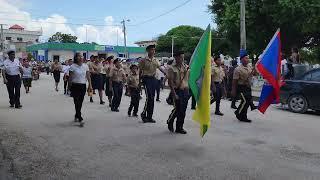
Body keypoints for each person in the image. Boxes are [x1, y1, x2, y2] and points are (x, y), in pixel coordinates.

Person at [139, 45, 166, 123]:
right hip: (146, 79)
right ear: (148, 51)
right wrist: (139, 82)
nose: (153, 51)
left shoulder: (155, 60)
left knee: (152, 98)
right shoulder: (143, 60)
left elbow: (160, 68)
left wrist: (166, 73)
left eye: (154, 50)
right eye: (151, 50)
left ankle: (149, 116)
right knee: (149, 97)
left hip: (153, 79)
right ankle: (143, 114)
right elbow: (140, 71)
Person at [167, 51, 190, 134]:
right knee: (178, 109)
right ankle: (170, 120)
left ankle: (179, 127)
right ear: (176, 58)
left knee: (183, 110)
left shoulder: (186, 67)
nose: (182, 59)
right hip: (177, 91)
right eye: (181, 57)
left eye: (183, 57)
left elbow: (188, 80)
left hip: (185, 91)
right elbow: (170, 82)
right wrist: (174, 94)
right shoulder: (171, 68)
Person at [68, 53, 92, 127]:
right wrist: (69, 87)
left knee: (80, 102)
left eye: (81, 56)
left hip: (83, 85)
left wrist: (90, 85)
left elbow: (88, 77)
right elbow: (70, 78)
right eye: (79, 56)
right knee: (76, 102)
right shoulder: (72, 66)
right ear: (76, 58)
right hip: (75, 85)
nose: (81, 57)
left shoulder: (85, 66)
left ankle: (76, 114)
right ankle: (80, 118)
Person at [232, 49, 255, 123]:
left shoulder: (249, 67)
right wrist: (233, 90)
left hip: (248, 87)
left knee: (247, 102)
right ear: (241, 59)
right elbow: (234, 81)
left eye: (248, 58)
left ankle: (244, 117)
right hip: (241, 87)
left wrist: (255, 70)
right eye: (246, 58)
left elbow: (252, 74)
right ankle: (238, 112)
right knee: (245, 101)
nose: (247, 59)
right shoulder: (237, 69)